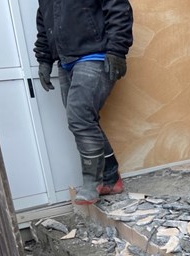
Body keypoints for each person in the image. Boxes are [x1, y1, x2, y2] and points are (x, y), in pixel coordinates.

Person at [34, 0, 133, 205]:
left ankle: (91, 183)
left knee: (79, 118)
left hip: (95, 55)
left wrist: (117, 51)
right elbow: (44, 24)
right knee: (84, 119)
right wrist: (44, 60)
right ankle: (111, 179)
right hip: (65, 61)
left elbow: (118, 8)